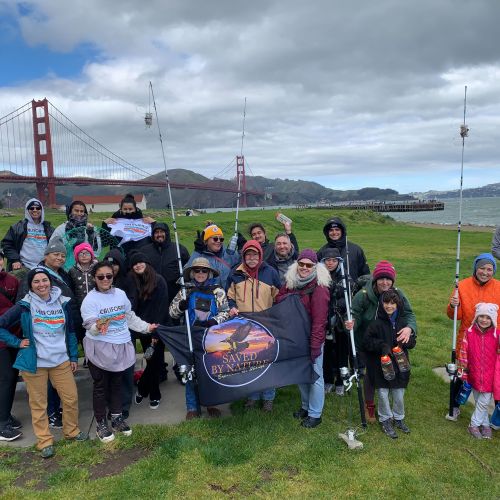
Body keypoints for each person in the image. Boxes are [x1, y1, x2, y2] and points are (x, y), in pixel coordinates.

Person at [0, 268, 86, 458]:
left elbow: (70, 332)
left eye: (44, 280)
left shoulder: (62, 303)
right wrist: (17, 342)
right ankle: (44, 441)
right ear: (30, 285)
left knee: (70, 398)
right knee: (39, 404)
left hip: (60, 360)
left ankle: (71, 432)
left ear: (50, 282)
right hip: (35, 362)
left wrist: (73, 357)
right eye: (36, 281)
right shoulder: (24, 305)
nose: (41, 284)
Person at [80, 261, 158, 443]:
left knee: (118, 383)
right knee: (100, 387)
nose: (105, 279)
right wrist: (98, 326)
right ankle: (100, 423)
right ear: (94, 279)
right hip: (100, 348)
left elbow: (129, 318)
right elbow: (90, 327)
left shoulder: (120, 294)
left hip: (121, 344)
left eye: (109, 276)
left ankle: (116, 418)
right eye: (101, 277)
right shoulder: (90, 300)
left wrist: (147, 327)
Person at [348, 261, 417, 423]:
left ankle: (393, 402)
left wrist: (409, 329)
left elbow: (409, 314)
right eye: (381, 279)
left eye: (388, 279)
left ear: (393, 281)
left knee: (391, 370)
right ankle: (369, 404)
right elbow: (354, 314)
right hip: (366, 341)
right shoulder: (363, 295)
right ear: (375, 279)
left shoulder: (398, 294)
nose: (385, 282)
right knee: (371, 374)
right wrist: (351, 323)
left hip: (389, 341)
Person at [275, 249, 331, 428]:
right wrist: (292, 296)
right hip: (294, 336)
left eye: (309, 265)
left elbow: (319, 321)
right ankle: (306, 407)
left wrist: (315, 346)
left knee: (315, 375)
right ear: (297, 264)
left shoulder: (320, 288)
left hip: (311, 337)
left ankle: (316, 414)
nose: (305, 268)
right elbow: (278, 300)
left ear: (315, 267)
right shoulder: (291, 282)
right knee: (300, 374)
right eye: (302, 264)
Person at [169, 257, 230, 419]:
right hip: (190, 336)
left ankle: (211, 403)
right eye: (197, 270)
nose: (201, 273)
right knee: (191, 371)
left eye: (204, 270)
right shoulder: (185, 291)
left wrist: (214, 321)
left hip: (211, 336)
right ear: (192, 273)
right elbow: (172, 313)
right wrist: (181, 305)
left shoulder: (218, 291)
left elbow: (225, 312)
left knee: (210, 371)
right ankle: (192, 407)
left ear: (209, 273)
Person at [226, 240, 281, 411]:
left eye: (254, 254)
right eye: (248, 254)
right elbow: (229, 296)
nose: (251, 258)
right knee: (249, 363)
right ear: (243, 256)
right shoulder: (234, 274)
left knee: (267, 362)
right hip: (243, 326)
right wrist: (232, 307)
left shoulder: (270, 273)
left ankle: (268, 398)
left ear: (260, 255)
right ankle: (252, 396)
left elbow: (279, 298)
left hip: (266, 326)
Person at [447, 253, 500, 421]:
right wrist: (452, 305)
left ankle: (496, 412)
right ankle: (454, 406)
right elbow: (455, 315)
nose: (485, 272)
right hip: (468, 338)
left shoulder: (498, 287)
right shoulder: (461, 286)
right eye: (482, 268)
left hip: (492, 339)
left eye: (489, 269)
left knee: (494, 374)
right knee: (463, 373)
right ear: (476, 269)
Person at [363, 289, 417, 439]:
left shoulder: (403, 323)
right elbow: (367, 342)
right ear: (381, 304)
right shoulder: (375, 324)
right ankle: (385, 418)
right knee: (383, 393)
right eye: (386, 302)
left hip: (400, 366)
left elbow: (412, 342)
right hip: (381, 366)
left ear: (398, 305)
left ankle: (399, 417)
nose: (389, 306)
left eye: (393, 303)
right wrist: (381, 346)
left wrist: (407, 340)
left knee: (399, 394)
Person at [126, 252, 170, 410]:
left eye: (140, 262)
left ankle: (149, 391)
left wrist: (156, 332)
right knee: (151, 360)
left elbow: (162, 308)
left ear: (147, 263)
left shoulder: (159, 280)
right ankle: (149, 391)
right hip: (143, 328)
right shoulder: (133, 281)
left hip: (158, 327)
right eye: (134, 264)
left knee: (156, 363)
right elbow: (133, 306)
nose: (138, 265)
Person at [458, 302, 499, 439]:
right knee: (479, 401)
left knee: (484, 401)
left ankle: (473, 424)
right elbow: (463, 353)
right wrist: (463, 371)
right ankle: (485, 424)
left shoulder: (497, 335)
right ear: (476, 317)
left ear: (493, 319)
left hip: (490, 375)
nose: (484, 320)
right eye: (481, 316)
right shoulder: (469, 334)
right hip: (473, 373)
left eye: (488, 318)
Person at [321, 248, 350, 396]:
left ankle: (340, 381)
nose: (330, 263)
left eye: (334, 260)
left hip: (340, 323)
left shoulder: (345, 278)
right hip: (324, 322)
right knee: (326, 353)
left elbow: (350, 299)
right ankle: (327, 380)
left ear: (339, 262)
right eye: (328, 260)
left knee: (341, 353)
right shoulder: (319, 277)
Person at [0, 248, 22, 441]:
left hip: (13, 338)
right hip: (1, 340)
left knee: (11, 378)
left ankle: (4, 413)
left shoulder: (12, 281)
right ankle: (2, 423)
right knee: (5, 379)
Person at [141, 222, 190, 304]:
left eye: (162, 232)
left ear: (166, 233)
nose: (159, 234)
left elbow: (188, 268)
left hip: (174, 295)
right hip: (151, 295)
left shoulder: (179, 249)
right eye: (156, 232)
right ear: (153, 235)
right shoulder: (144, 251)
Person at [1, 198, 54, 272]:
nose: (35, 210)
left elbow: (55, 247)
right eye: (31, 208)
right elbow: (6, 244)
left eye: (38, 208)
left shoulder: (49, 228)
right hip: (23, 266)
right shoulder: (17, 227)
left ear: (41, 210)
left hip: (45, 267)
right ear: (27, 210)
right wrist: (15, 260)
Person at [68, 242, 98, 363]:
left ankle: (96, 353)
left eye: (87, 253)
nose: (84, 255)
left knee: (95, 329)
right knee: (83, 332)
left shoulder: (97, 268)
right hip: (80, 306)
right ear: (76, 257)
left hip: (96, 306)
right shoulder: (72, 271)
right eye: (81, 254)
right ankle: (87, 355)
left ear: (91, 255)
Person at [102, 194, 155, 259]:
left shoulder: (144, 221)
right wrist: (104, 224)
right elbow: (105, 239)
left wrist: (154, 223)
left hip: (139, 258)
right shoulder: (115, 221)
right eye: (125, 209)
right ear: (121, 209)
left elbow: (155, 236)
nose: (128, 211)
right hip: (119, 257)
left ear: (135, 209)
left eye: (130, 209)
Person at [187, 224, 240, 289]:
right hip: (208, 296)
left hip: (229, 295)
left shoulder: (230, 253)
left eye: (221, 239)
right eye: (215, 239)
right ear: (206, 241)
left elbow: (243, 267)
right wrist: (197, 251)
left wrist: (241, 249)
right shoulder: (200, 255)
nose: (218, 241)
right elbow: (187, 274)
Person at [317, 217, 369, 281]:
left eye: (337, 229)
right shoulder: (321, 252)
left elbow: (365, 275)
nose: (334, 232)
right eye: (331, 230)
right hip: (329, 290)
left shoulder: (356, 250)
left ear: (342, 231)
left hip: (353, 290)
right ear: (327, 233)